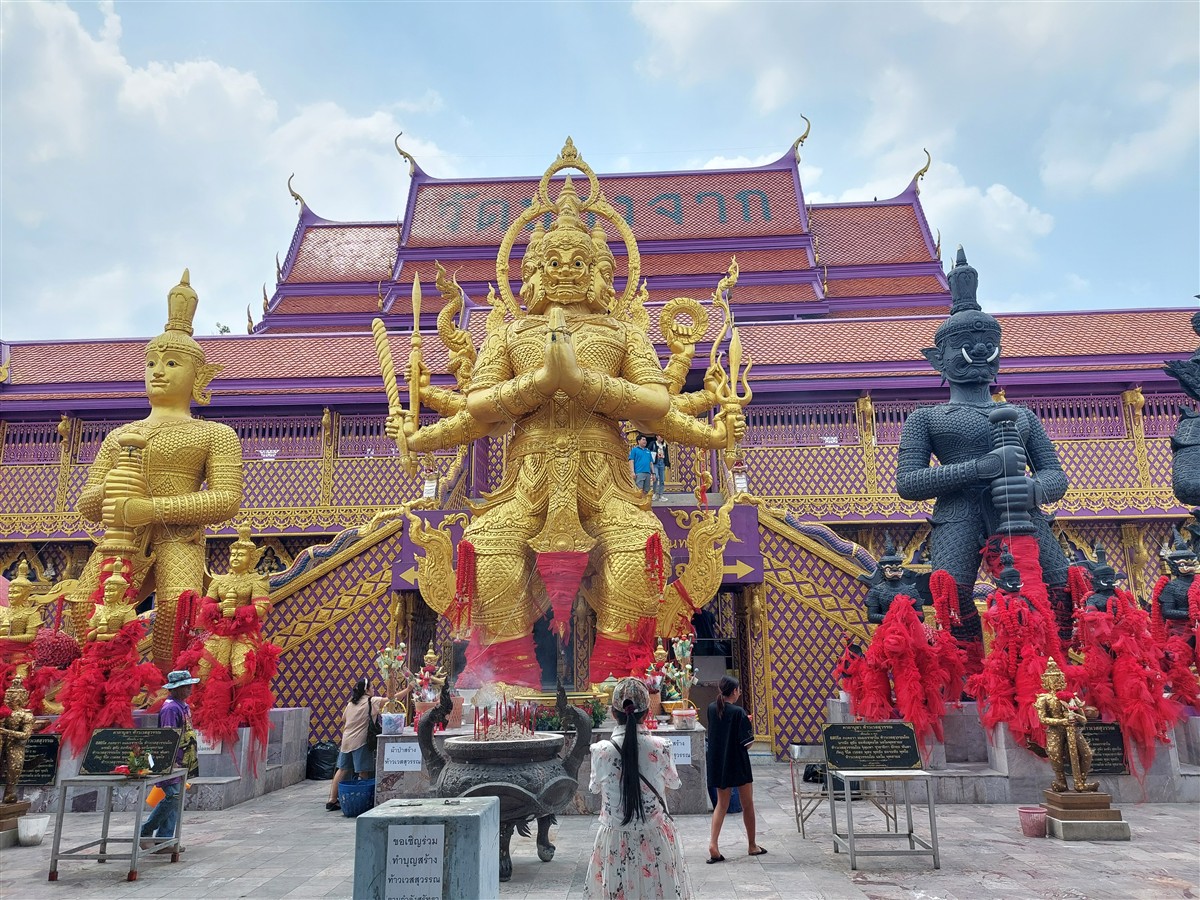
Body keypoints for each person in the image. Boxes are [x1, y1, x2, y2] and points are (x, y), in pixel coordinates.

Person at [585, 677, 692, 899]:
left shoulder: (601, 751)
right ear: (647, 713)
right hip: (655, 837)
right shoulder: (660, 748)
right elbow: (674, 783)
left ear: (613, 713)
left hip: (615, 839)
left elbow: (594, 788)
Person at [706, 675, 765, 862]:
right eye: (738, 690)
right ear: (734, 691)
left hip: (719, 762)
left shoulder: (712, 708)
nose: (739, 692)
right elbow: (748, 743)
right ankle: (752, 845)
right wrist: (747, 722)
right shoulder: (739, 712)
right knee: (747, 804)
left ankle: (713, 844)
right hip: (738, 762)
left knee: (721, 804)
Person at [140, 669, 200, 852]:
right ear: (175, 689)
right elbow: (168, 737)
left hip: (182, 760)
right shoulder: (171, 708)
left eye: (189, 686)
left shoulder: (182, 706)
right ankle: (145, 832)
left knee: (177, 798)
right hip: (171, 761)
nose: (189, 689)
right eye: (185, 686)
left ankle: (164, 839)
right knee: (173, 796)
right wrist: (170, 760)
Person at [327, 677, 384, 811]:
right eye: (372, 687)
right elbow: (392, 699)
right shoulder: (371, 701)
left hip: (346, 741)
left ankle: (332, 799)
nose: (373, 689)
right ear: (366, 690)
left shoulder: (351, 703)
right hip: (360, 742)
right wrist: (408, 689)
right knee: (363, 771)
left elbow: (343, 719)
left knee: (342, 769)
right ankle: (362, 800)